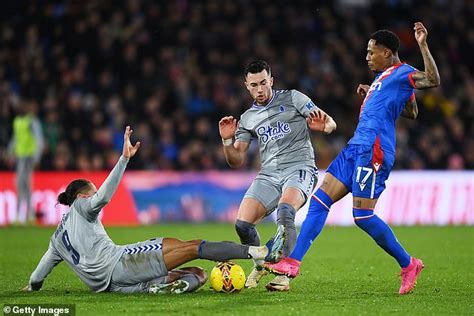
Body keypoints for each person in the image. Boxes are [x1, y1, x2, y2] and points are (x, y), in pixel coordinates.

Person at [265, 22, 440, 294]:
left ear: (388, 52)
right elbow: (411, 110)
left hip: (375, 150)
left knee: (362, 216)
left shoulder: (403, 71)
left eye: (372, 52)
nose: (367, 57)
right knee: (320, 201)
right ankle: (292, 263)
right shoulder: (383, 79)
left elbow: (432, 80)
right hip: (355, 147)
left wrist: (422, 44)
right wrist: (372, 93)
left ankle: (409, 264)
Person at [23, 126, 282, 294]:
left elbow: (38, 275)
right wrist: (124, 159)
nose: (94, 195)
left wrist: (31, 288)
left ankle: (163, 287)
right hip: (120, 263)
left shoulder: (56, 239)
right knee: (193, 246)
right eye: (91, 190)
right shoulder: (82, 206)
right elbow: (101, 199)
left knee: (199, 275)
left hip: (111, 287)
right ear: (81, 196)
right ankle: (255, 251)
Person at [218, 60, 337, 291]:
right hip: (269, 175)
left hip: (299, 168)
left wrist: (327, 127)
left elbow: (330, 121)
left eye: (264, 83)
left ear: (271, 80)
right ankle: (261, 265)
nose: (260, 89)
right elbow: (236, 159)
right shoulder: (247, 118)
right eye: (254, 85)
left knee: (285, 211)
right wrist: (226, 141)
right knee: (242, 225)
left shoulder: (293, 98)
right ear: (246, 86)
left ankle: (284, 274)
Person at [8, 100, 44, 223]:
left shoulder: (31, 121)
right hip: (20, 156)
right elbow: (16, 138)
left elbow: (38, 139)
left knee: (25, 185)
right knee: (21, 185)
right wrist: (10, 152)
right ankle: (23, 215)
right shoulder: (17, 121)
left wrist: (37, 157)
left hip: (28, 157)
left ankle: (28, 214)